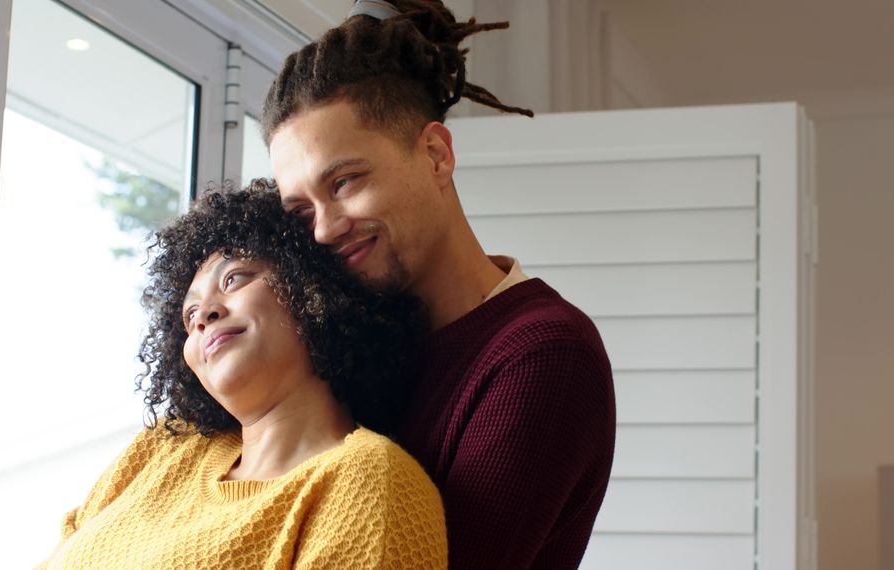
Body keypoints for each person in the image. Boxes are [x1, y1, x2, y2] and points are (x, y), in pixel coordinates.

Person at [260, 1, 616, 568]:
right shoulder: (348, 340)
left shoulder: (543, 354)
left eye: (346, 181)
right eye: (301, 210)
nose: (324, 229)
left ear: (435, 154)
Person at [37, 183, 447, 569]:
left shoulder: (369, 481)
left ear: (310, 287)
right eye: (189, 314)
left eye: (233, 279)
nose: (204, 316)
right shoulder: (163, 448)